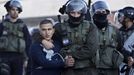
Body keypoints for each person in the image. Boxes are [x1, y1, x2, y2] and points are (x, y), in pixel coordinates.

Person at [55, 0, 98, 75]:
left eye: (78, 13)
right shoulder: (59, 27)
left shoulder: (90, 27)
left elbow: (91, 49)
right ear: (68, 13)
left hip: (87, 69)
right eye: (72, 12)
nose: (75, 16)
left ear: (83, 13)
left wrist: (70, 54)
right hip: (68, 70)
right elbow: (54, 47)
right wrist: (64, 58)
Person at [90, 1, 124, 75]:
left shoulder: (115, 31)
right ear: (93, 13)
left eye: (104, 11)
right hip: (92, 69)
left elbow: (120, 48)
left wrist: (129, 58)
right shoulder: (88, 30)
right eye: (98, 11)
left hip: (111, 70)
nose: (102, 13)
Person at [0, 0, 31, 75]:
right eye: (13, 9)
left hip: (18, 57)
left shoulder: (23, 26)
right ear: (9, 10)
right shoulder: (2, 25)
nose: (15, 12)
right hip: (4, 57)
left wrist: (27, 59)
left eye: (17, 10)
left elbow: (28, 42)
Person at [117, 6, 134, 75]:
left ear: (128, 19)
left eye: (123, 16)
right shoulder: (119, 32)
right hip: (120, 66)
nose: (120, 18)